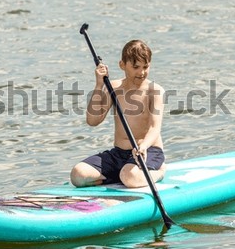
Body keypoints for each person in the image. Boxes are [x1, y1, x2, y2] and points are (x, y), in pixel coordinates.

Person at [70, 40, 166, 188]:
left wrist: (143, 146)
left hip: (147, 151)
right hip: (118, 154)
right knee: (78, 175)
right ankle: (119, 175)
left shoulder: (155, 91)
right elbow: (93, 120)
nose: (141, 72)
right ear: (122, 65)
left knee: (130, 177)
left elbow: (155, 128)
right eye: (136, 67)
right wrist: (99, 85)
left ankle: (159, 172)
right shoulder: (113, 87)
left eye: (145, 67)